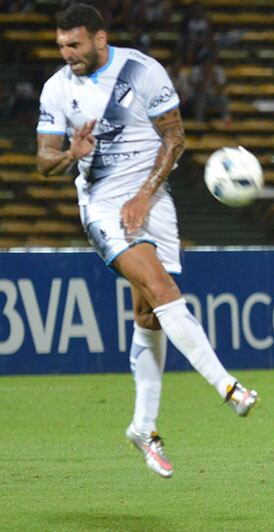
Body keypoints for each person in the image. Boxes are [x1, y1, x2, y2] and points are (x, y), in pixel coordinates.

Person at [35, 3, 259, 479]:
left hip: (152, 200)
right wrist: (69, 155)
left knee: (148, 315)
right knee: (162, 291)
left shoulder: (142, 70)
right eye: (60, 46)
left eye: (73, 44)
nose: (66, 54)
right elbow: (43, 160)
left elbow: (174, 139)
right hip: (102, 206)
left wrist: (143, 196)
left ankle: (143, 427)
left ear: (99, 39)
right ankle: (228, 388)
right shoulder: (58, 89)